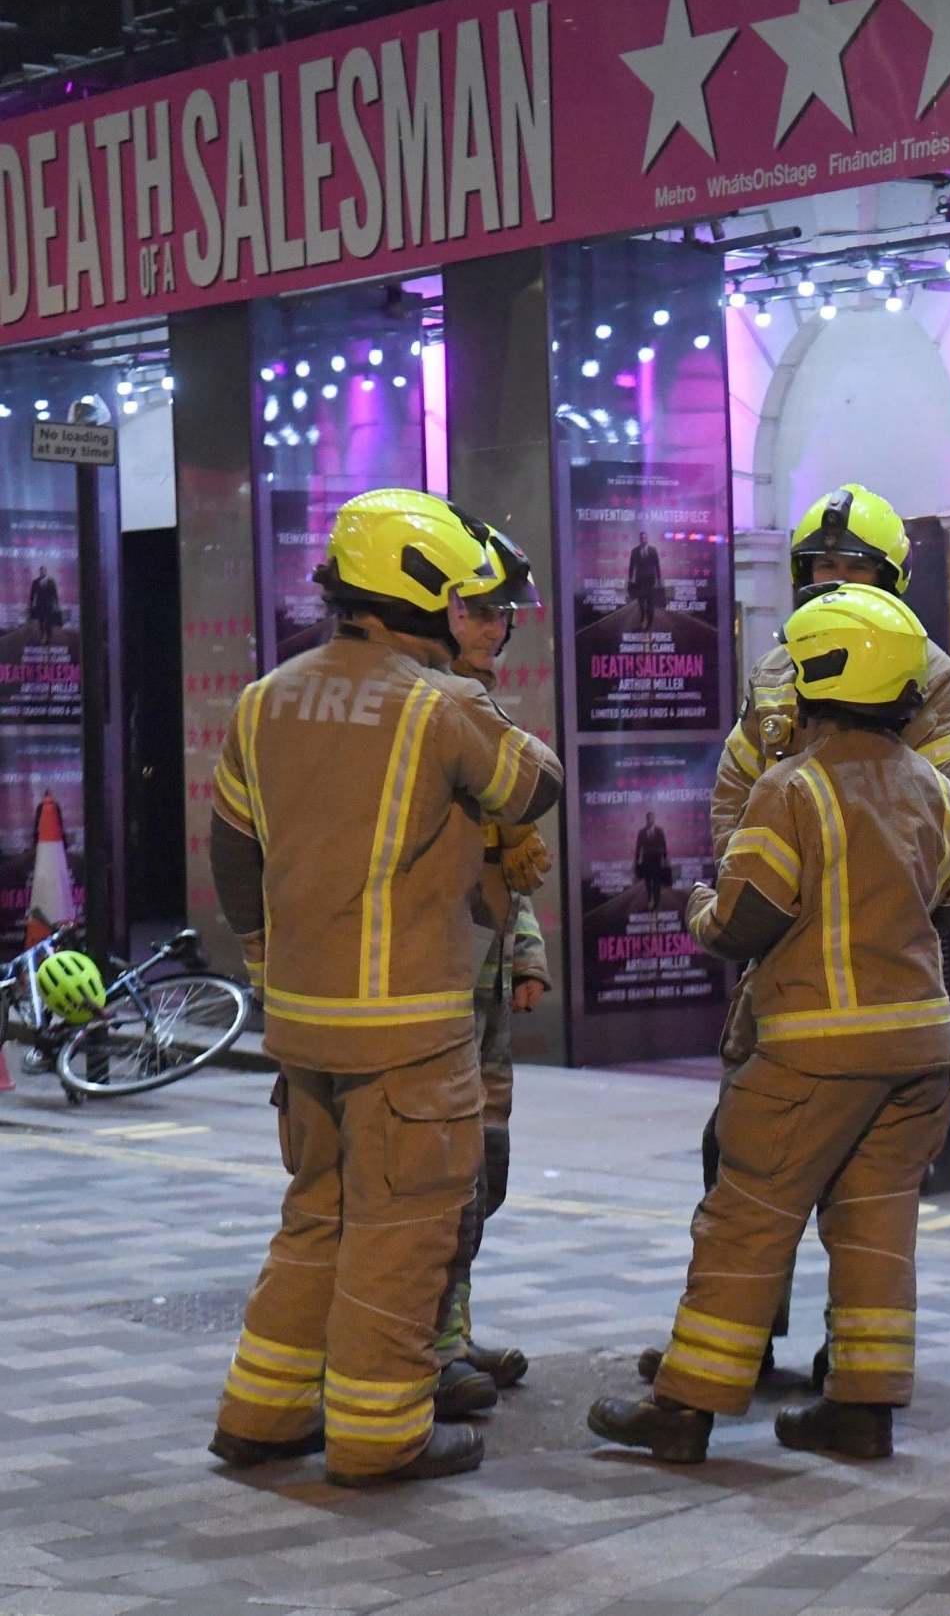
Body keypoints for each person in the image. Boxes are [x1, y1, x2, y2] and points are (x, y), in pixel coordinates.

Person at [205, 488, 562, 1486]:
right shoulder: (438, 703)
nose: (469, 618)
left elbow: (233, 852)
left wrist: (268, 959)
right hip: (410, 1026)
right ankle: (379, 1429)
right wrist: (462, 681)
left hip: (304, 1021)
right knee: (402, 1227)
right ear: (418, 598)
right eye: (458, 601)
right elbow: (537, 784)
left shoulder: (264, 699)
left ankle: (263, 1409)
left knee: (317, 1210)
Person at [588, 586, 950, 1464]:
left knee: (746, 1221)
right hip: (918, 1052)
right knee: (876, 1228)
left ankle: (685, 1409)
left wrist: (697, 908)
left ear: (819, 679)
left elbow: (746, 918)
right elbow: (949, 904)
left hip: (809, 1052)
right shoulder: (934, 792)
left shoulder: (790, 789)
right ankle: (862, 1408)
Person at [432, 521, 553, 1397]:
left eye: (503, 613)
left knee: (482, 1173)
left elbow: (509, 861)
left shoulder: (478, 708)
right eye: (480, 610)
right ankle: (417, 1345)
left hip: (483, 982)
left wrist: (525, 951)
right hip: (430, 985)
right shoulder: (426, 711)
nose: (494, 628)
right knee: (433, 1180)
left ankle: (452, 1327)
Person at [634, 812, 672, 913]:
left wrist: (665, 859)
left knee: (657, 882)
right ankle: (650, 898)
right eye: (649, 818)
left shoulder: (659, 831)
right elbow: (638, 847)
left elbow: (664, 845)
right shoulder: (641, 832)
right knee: (648, 882)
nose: (651, 820)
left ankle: (656, 903)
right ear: (646, 819)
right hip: (646, 862)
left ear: (654, 819)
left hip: (657, 861)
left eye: (652, 818)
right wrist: (637, 860)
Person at [626, 531, 661, 629]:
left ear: (647, 539)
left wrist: (659, 579)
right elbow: (631, 566)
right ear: (639, 539)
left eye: (645, 538)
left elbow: (657, 565)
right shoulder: (635, 551)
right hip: (639, 580)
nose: (643, 539)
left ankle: (649, 622)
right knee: (641, 602)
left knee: (650, 602)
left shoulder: (653, 550)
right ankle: (642, 618)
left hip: (650, 580)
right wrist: (630, 579)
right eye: (641, 538)